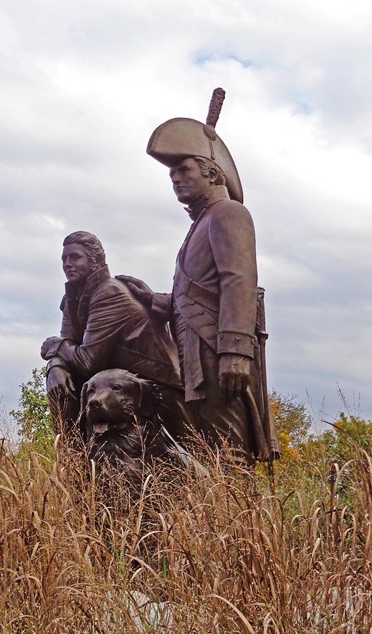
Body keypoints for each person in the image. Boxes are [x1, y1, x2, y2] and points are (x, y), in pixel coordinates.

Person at [122, 97, 279, 466]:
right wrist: (153, 300)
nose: (175, 177)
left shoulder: (228, 214)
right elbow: (196, 295)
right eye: (171, 173)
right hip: (195, 357)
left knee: (229, 453)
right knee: (209, 450)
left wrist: (236, 352)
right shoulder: (202, 223)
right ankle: (218, 520)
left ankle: (236, 521)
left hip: (217, 352)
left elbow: (238, 281)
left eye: (184, 169)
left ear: (212, 172)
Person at [40, 231, 189, 449]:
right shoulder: (73, 297)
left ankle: (78, 465)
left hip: (155, 390)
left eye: (75, 257)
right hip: (116, 383)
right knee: (60, 383)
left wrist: (55, 346)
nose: (67, 264)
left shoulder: (109, 292)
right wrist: (55, 367)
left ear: (95, 261)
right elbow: (68, 344)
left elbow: (87, 361)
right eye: (64, 259)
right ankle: (73, 468)